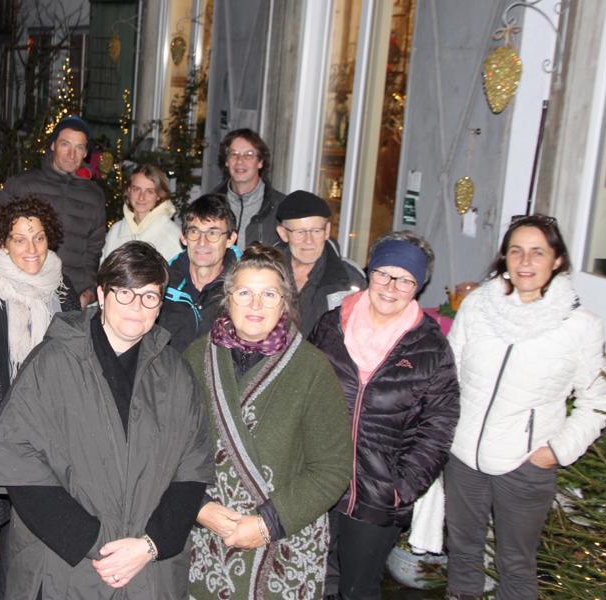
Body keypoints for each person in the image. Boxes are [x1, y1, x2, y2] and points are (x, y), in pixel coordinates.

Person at [0, 241, 214, 599]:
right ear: (103, 295)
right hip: (66, 563)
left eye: (150, 297)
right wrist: (96, 543)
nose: (137, 308)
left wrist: (150, 545)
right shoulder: (52, 363)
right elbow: (19, 460)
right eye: (125, 293)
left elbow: (192, 468)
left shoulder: (177, 376)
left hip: (148, 569)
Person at [444, 215, 606, 600]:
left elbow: (597, 401)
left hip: (524, 465)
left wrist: (555, 451)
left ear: (557, 261)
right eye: (516, 251)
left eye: (538, 252)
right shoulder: (478, 306)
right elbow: (448, 371)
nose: (525, 261)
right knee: (463, 555)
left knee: (516, 565)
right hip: (463, 456)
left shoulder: (579, 325)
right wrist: (447, 431)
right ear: (504, 257)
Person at [185, 243, 352, 599]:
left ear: (285, 303)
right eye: (244, 292)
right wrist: (199, 507)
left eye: (269, 294)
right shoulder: (196, 357)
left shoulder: (312, 369)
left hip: (285, 540)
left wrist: (267, 524)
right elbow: (166, 447)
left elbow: (333, 468)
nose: (256, 305)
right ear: (228, 299)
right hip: (208, 535)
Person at [309, 231, 460, 600]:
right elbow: (301, 392)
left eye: (405, 279)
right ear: (370, 272)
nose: (391, 287)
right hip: (317, 482)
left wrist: (403, 486)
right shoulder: (331, 325)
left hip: (378, 496)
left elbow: (438, 425)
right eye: (384, 274)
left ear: (418, 286)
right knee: (311, 580)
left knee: (358, 589)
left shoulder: (429, 346)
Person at [0, 198, 80, 600]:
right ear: (3, 243)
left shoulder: (62, 290)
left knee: (23, 532)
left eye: (38, 238)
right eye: (19, 239)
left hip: (48, 436)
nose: (31, 249)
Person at [0, 115, 106, 306]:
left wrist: (87, 291)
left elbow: (94, 249)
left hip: (72, 297)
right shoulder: (23, 185)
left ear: (85, 152)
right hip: (24, 292)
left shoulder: (94, 196)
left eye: (79, 147)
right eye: (65, 144)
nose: (72, 154)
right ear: (53, 145)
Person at [275, 190, 365, 337]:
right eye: (300, 232)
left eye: (316, 231)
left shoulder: (351, 280)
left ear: (327, 230)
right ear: (283, 233)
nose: (309, 240)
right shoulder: (264, 272)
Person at [159, 194, 240, 352]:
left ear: (231, 239)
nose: (202, 243)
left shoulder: (243, 290)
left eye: (213, 233)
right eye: (194, 232)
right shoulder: (163, 285)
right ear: (183, 237)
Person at [210, 128, 287, 248]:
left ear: (260, 162)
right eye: (234, 154)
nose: (240, 161)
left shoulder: (282, 207)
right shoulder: (209, 205)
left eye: (249, 155)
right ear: (226, 161)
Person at [101, 164, 181, 262]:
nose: (141, 197)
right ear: (129, 191)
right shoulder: (115, 231)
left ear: (159, 195)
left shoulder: (173, 236)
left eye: (149, 191)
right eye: (136, 189)